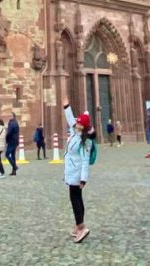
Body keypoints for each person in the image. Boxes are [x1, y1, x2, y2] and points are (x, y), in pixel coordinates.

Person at [63, 100, 92, 244]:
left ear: (85, 126)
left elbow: (85, 160)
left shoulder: (85, 141)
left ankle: (81, 227)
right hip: (71, 171)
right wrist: (66, 106)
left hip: (77, 173)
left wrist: (83, 179)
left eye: (80, 124)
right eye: (77, 123)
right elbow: (70, 120)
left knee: (75, 199)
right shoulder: (75, 133)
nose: (77, 124)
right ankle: (78, 226)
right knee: (76, 198)